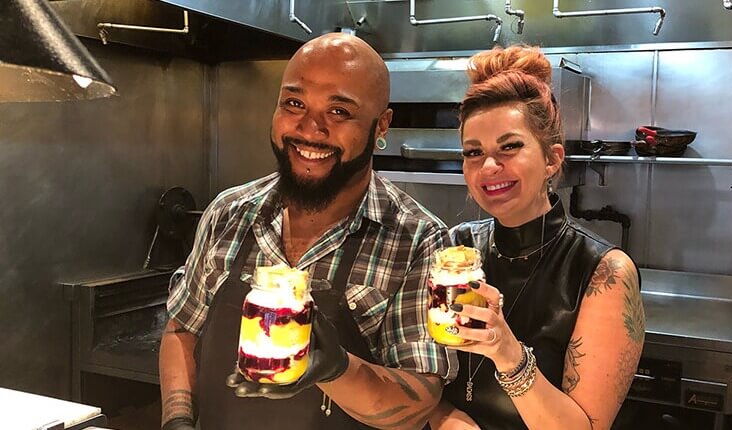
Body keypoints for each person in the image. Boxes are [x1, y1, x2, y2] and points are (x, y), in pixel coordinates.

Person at [158, 33, 456, 430]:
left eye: (339, 111)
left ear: (381, 124)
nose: (310, 129)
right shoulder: (229, 213)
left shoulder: (418, 240)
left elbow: (420, 399)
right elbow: (182, 330)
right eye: (294, 104)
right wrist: (176, 421)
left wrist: (337, 368)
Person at [427, 46, 645, 430]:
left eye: (509, 147)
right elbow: (424, 378)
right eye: (473, 152)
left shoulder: (602, 271)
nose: (489, 166)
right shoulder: (456, 249)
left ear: (552, 159)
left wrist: (507, 353)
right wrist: (446, 419)